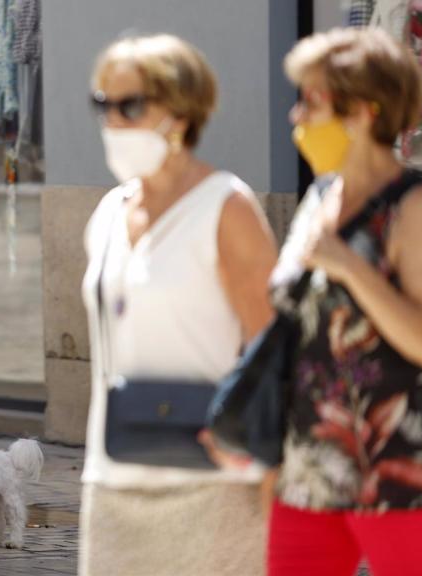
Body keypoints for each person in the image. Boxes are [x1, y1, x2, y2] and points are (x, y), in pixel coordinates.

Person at [268, 27, 422, 576]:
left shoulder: (421, 206)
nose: (297, 119)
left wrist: (351, 266)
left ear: (362, 110)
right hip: (310, 468)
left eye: (311, 102)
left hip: (405, 469)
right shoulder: (318, 199)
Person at [79, 34, 278, 575]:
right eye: (104, 105)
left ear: (182, 111)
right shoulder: (108, 214)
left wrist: (272, 481)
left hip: (211, 486)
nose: (114, 121)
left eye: (131, 105)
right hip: (112, 478)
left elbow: (272, 349)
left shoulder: (226, 207)